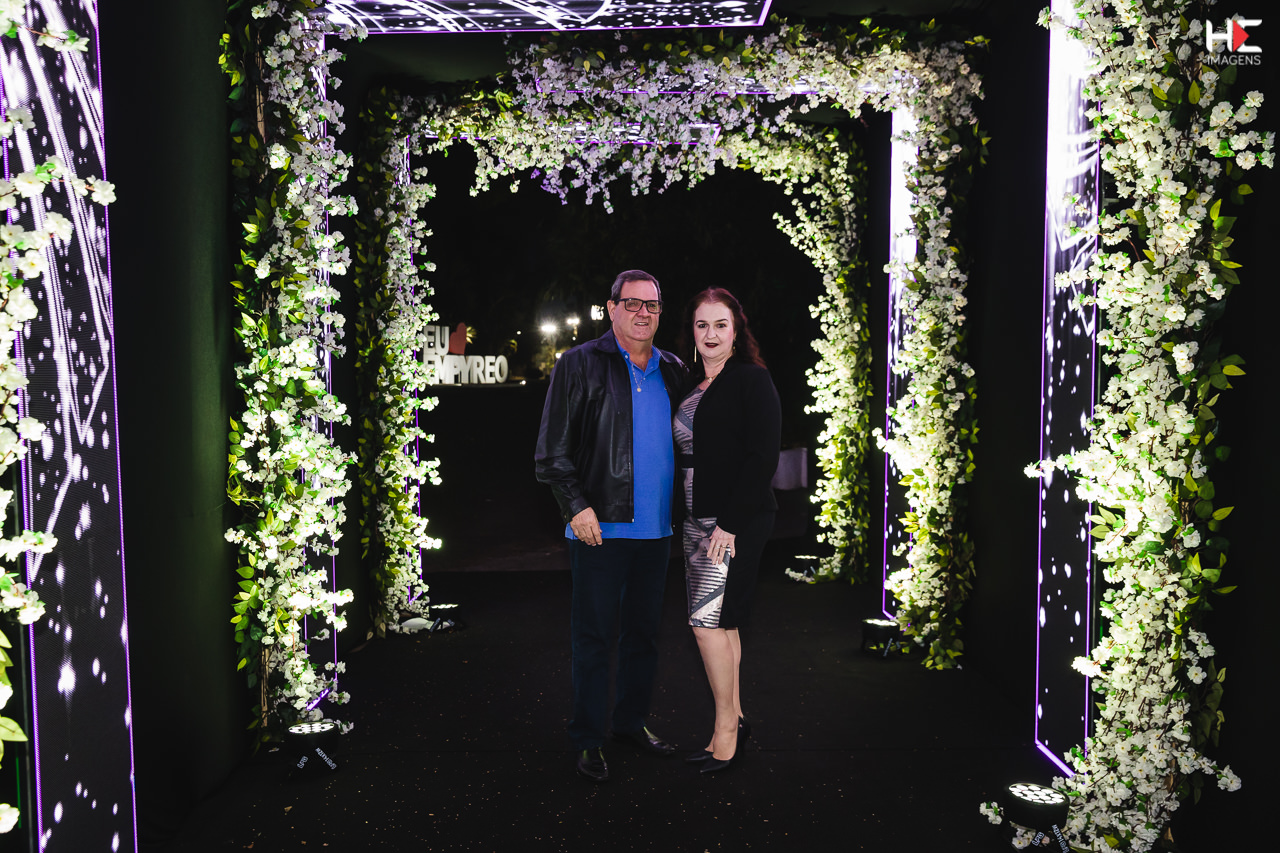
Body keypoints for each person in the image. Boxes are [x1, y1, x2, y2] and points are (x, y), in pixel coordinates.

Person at [534, 269, 688, 783]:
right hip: (598, 530)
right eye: (633, 303)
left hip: (658, 531)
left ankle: (630, 723)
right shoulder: (579, 364)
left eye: (652, 305)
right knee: (594, 639)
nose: (643, 313)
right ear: (612, 307)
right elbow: (551, 452)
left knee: (644, 637)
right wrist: (575, 507)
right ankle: (587, 739)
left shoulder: (673, 368)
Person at [673, 287, 780, 774]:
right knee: (725, 622)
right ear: (692, 331)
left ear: (736, 330)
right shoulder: (692, 383)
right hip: (697, 517)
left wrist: (730, 525)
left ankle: (725, 733)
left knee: (706, 624)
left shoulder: (751, 379)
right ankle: (735, 716)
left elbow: (762, 457)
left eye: (720, 325)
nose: (711, 334)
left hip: (733, 521)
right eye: (702, 325)